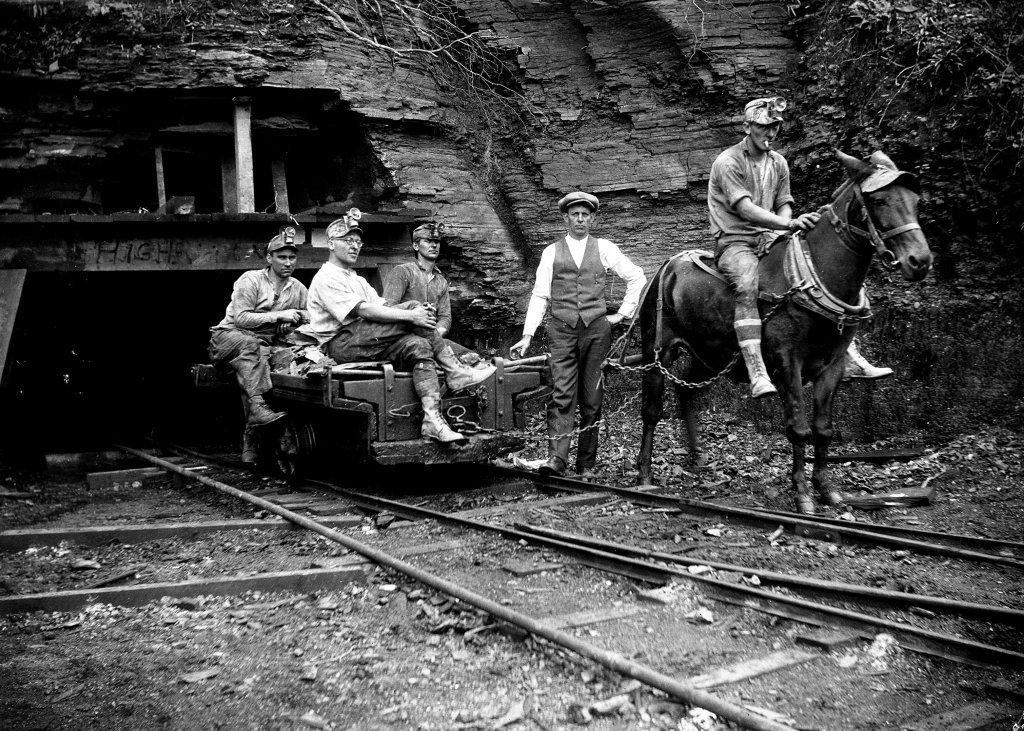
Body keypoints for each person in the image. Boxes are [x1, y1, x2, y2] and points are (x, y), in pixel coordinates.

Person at [708, 96, 891, 398]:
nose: (770, 134)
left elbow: (784, 204)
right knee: (746, 283)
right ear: (747, 126)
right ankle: (757, 372)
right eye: (763, 127)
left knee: (819, 274)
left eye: (775, 128)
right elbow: (746, 209)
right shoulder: (728, 162)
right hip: (735, 241)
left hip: (771, 237)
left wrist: (785, 226)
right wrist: (787, 226)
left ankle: (849, 355)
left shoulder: (778, 162)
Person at [297, 209, 496, 443]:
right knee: (414, 318)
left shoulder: (357, 279)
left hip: (365, 339)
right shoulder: (326, 277)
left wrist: (412, 306)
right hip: (339, 343)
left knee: (419, 345)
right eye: (348, 240)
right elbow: (364, 310)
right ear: (331, 243)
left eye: (358, 241)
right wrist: (411, 315)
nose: (355, 246)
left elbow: (381, 304)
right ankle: (455, 371)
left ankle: (432, 419)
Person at [510, 192, 646, 476]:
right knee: (562, 394)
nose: (580, 219)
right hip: (561, 330)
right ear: (566, 218)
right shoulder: (551, 251)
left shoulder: (605, 248)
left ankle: (586, 465)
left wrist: (621, 315)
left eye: (585, 215)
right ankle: (556, 461)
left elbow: (637, 276)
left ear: (592, 218)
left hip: (597, 331)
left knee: (592, 400)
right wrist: (527, 335)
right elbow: (539, 295)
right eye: (575, 215)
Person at [209, 225, 308, 462]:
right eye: (281, 257)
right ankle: (255, 417)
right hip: (229, 337)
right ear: (269, 258)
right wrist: (277, 317)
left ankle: (253, 440)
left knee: (263, 359)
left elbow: (311, 314)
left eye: (292, 257)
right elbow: (242, 318)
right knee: (252, 349)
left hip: (263, 344)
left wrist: (294, 319)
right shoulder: (251, 280)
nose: (288, 262)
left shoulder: (298, 288)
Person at [382, 221, 473, 360]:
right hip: (404, 341)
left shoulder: (441, 281)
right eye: (428, 241)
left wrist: (435, 334)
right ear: (416, 246)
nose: (434, 245)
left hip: (433, 339)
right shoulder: (403, 272)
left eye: (436, 241)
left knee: (472, 358)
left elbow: (445, 317)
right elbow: (388, 309)